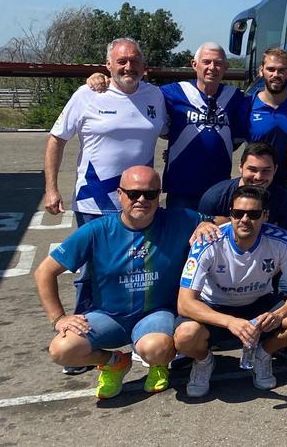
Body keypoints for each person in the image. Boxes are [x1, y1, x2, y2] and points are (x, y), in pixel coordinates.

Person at [35, 166, 218, 399]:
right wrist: (59, 319)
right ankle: (113, 362)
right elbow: (44, 272)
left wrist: (206, 223)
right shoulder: (96, 230)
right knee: (62, 350)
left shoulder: (179, 219)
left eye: (150, 194)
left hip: (156, 314)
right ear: (119, 194)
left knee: (156, 348)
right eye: (133, 194)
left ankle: (157, 363)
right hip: (108, 316)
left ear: (159, 195)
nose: (142, 199)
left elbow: (218, 221)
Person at [44, 38, 168, 373]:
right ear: (108, 65)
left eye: (135, 61)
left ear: (144, 64)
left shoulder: (155, 96)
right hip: (94, 203)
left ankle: (145, 336)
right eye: (121, 62)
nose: (128, 67)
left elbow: (173, 130)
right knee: (89, 275)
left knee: (140, 271)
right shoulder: (88, 95)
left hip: (139, 203)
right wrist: (51, 188)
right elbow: (57, 139)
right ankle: (83, 343)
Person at [174, 186, 287, 397]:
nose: (244, 219)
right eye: (238, 213)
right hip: (216, 308)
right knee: (185, 336)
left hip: (258, 305)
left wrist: (278, 315)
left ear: (265, 216)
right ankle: (204, 360)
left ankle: (263, 353)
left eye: (253, 214)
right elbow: (184, 303)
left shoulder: (280, 240)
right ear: (230, 213)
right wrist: (230, 322)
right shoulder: (208, 242)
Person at [162, 42, 249, 211]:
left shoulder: (236, 97)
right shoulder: (173, 92)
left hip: (219, 189)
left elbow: (267, 99)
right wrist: (101, 79)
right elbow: (137, 93)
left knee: (216, 237)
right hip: (182, 188)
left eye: (218, 63)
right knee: (181, 237)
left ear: (226, 67)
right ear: (194, 65)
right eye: (206, 62)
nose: (212, 67)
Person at [197, 141, 287, 232]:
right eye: (252, 169)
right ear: (240, 167)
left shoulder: (284, 201)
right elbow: (200, 236)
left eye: (266, 171)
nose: (258, 177)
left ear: (275, 169)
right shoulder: (215, 198)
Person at [246, 47, 287, 191]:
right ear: (261, 70)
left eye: (281, 70)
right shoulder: (247, 104)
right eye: (270, 69)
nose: (276, 74)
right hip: (258, 186)